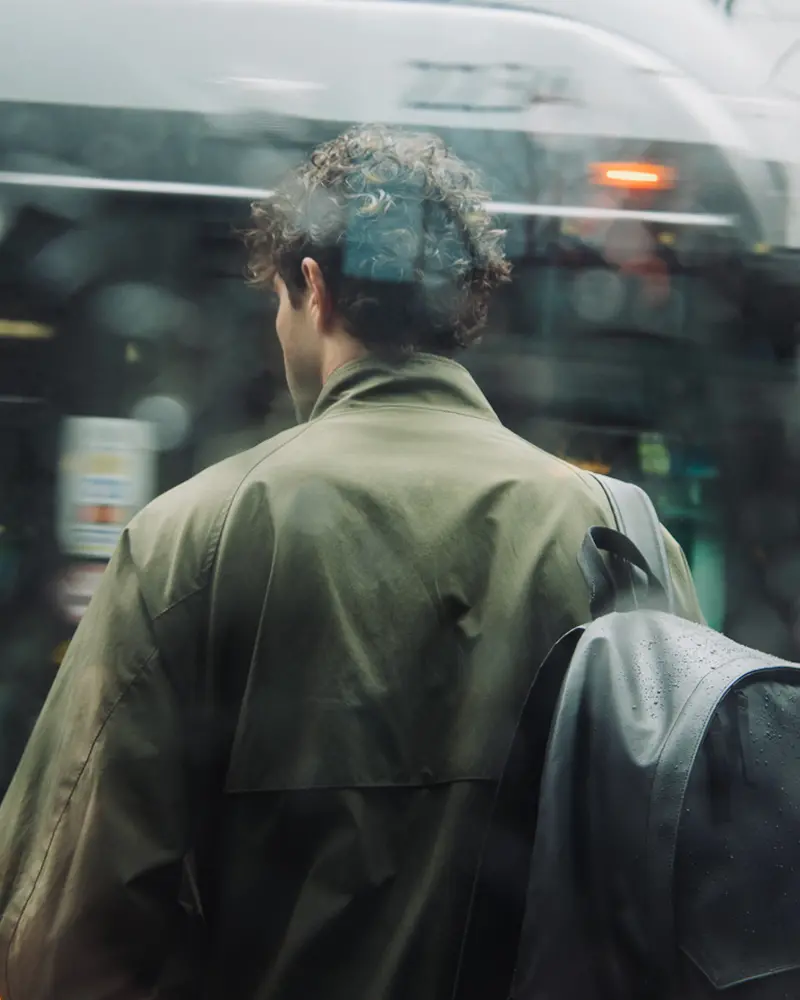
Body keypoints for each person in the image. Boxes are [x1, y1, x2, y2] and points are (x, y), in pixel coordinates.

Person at [0, 124, 704, 1000]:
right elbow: (688, 871)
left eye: (278, 302)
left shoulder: (191, 539)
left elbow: (67, 931)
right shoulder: (624, 536)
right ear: (464, 305)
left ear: (313, 287)